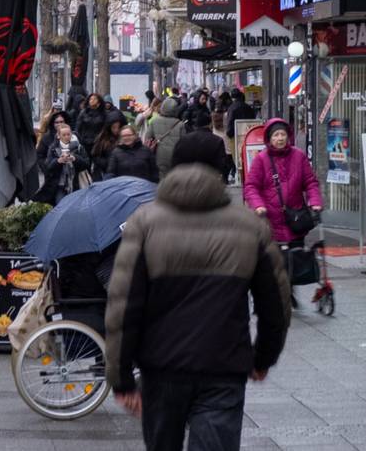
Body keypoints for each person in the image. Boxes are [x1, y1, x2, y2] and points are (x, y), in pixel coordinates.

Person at [105, 127, 291, 451]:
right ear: (221, 169)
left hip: (161, 368)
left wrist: (121, 378)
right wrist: (263, 358)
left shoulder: (144, 223)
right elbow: (275, 303)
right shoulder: (250, 227)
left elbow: (123, 306)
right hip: (223, 366)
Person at [243, 119, 323, 248]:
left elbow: (310, 182)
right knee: (275, 264)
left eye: (283, 134)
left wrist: (315, 201)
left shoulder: (299, 156)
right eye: (276, 135)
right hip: (270, 223)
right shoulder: (261, 159)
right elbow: (251, 186)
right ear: (269, 138)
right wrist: (258, 205)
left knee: (297, 261)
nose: (280, 138)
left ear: (288, 136)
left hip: (295, 221)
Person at [35, 124, 89, 205]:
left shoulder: (78, 147)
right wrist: (58, 161)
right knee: (60, 206)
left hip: (76, 184)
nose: (67, 137)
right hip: (59, 185)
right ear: (58, 136)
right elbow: (48, 167)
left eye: (68, 134)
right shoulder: (53, 148)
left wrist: (75, 159)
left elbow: (86, 164)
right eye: (64, 135)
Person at [143, 96, 185, 180]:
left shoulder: (155, 121)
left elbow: (147, 139)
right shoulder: (180, 124)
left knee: (161, 176)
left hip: (159, 155)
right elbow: (183, 143)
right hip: (175, 155)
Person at [211, 110, 236, 182]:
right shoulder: (226, 117)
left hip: (219, 146)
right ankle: (228, 177)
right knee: (230, 164)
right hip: (227, 147)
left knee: (222, 167)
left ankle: (224, 178)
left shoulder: (214, 121)